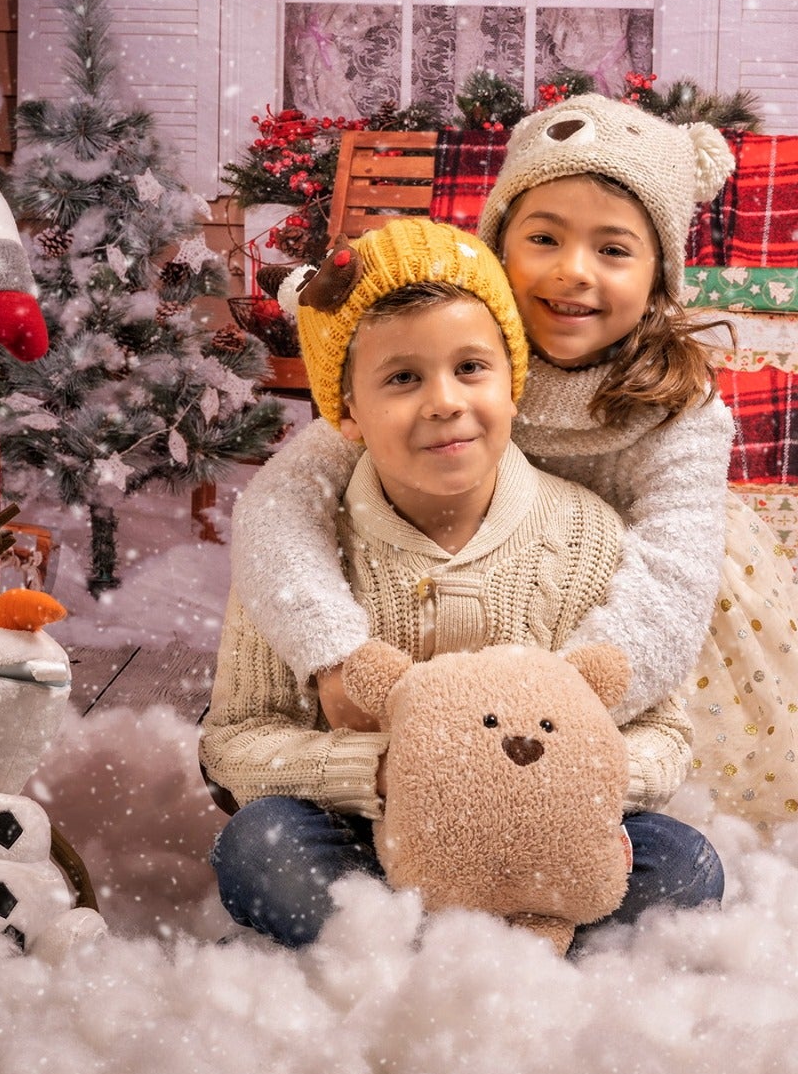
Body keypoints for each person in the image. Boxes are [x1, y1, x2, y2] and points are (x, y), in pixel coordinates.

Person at [231, 96, 798, 832]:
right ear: (499, 244)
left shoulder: (678, 408)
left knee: (665, 810)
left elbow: (670, 581)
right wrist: (332, 651)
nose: (573, 272)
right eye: (544, 238)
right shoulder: (452, 366)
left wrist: (560, 704)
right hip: (481, 586)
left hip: (625, 628)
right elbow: (279, 500)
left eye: (614, 249)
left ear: (660, 275)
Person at [201, 218, 722, 948]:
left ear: (515, 384)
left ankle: (502, 934)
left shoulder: (586, 535)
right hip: (370, 842)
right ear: (347, 411)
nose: (445, 400)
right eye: (404, 378)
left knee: (685, 867)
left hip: (548, 851)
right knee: (259, 848)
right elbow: (234, 740)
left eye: (471, 368)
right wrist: (378, 770)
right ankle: (458, 951)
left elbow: (663, 731)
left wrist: (567, 780)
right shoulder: (301, 553)